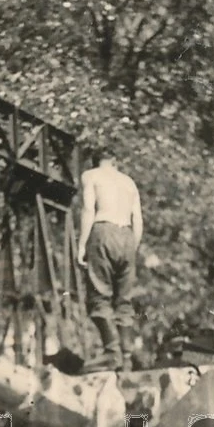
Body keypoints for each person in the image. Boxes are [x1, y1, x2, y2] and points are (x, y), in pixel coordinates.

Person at [77, 150, 143, 371]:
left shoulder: (90, 175)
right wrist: (132, 247)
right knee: (124, 300)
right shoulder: (129, 182)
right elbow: (138, 219)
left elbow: (88, 209)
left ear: (95, 161)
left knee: (99, 295)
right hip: (128, 235)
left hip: (103, 230)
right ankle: (126, 356)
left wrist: (82, 245)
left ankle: (112, 352)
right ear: (115, 161)